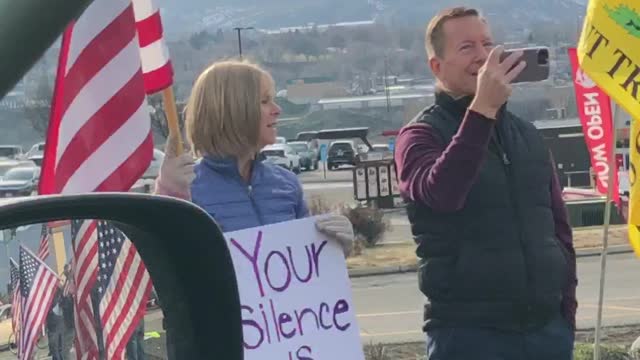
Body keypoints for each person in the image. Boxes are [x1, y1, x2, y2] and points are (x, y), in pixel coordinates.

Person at [393, 7, 577, 360]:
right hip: (469, 334)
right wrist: (481, 111)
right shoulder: (419, 136)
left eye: (488, 44)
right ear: (436, 67)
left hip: (546, 332)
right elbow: (442, 194)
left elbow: (558, 227)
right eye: (466, 47)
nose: (483, 56)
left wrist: (565, 311)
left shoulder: (526, 135)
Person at [154, 60, 355, 358]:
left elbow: (308, 282)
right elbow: (165, 286)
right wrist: (168, 195)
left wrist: (335, 250)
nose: (277, 109)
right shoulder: (187, 190)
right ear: (232, 110)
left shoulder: (286, 185)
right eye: (264, 101)